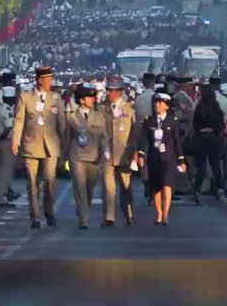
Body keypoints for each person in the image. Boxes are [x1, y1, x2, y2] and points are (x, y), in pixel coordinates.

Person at [11, 66, 65, 229]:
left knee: (50, 180)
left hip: (51, 145)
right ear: (39, 80)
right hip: (31, 144)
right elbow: (19, 119)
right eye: (46, 79)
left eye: (50, 79)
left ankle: (49, 211)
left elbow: (61, 123)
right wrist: (15, 140)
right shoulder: (26, 97)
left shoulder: (56, 98)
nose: (49, 82)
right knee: (32, 182)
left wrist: (65, 144)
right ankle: (34, 215)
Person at [137, 92, 185, 225]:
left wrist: (181, 160)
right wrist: (140, 154)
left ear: (166, 106)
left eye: (161, 103)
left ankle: (165, 214)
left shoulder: (172, 121)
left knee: (167, 185)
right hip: (153, 157)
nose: (157, 105)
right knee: (156, 186)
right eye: (156, 102)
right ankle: (158, 212)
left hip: (168, 158)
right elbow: (143, 139)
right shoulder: (149, 121)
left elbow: (177, 141)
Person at [65, 85, 108, 229]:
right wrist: (63, 157)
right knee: (79, 187)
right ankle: (84, 218)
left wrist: (105, 152)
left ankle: (83, 209)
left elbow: (103, 136)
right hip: (76, 156)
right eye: (89, 97)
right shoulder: (71, 117)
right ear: (81, 100)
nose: (92, 100)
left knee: (89, 188)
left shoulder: (99, 116)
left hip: (94, 156)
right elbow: (66, 138)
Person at [100, 76, 135, 226]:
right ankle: (109, 217)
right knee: (108, 187)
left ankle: (128, 214)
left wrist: (134, 151)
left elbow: (135, 132)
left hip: (124, 153)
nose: (108, 93)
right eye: (107, 90)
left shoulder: (129, 109)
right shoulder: (101, 107)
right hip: (107, 152)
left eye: (112, 91)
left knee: (126, 186)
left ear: (120, 92)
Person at [190, 83, 226, 200]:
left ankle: (197, 190)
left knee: (201, 166)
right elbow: (220, 122)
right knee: (215, 165)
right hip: (213, 138)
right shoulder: (216, 105)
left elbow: (195, 123)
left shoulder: (200, 106)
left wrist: (199, 130)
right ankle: (219, 188)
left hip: (201, 137)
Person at [0, 85, 18, 209]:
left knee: (2, 170)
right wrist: (1, 137)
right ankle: (1, 198)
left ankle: (2, 196)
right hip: (6, 141)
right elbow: (8, 126)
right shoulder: (6, 109)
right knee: (5, 172)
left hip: (0, 141)